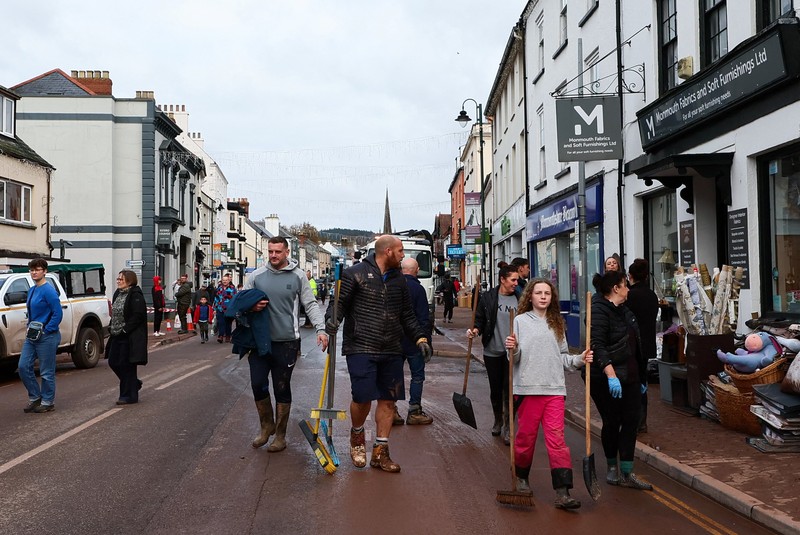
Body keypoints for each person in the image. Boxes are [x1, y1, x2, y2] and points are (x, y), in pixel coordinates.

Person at [325, 235, 431, 472]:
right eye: (401, 251)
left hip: (392, 348)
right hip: (360, 346)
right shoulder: (356, 274)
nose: (403, 256)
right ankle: (357, 434)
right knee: (362, 397)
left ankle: (380, 452)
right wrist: (330, 323)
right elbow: (338, 304)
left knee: (388, 399)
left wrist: (420, 338)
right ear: (388, 252)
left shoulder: (400, 281)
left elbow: (407, 314)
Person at [504, 278, 592, 509]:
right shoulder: (520, 321)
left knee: (557, 441)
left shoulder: (557, 322)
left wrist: (580, 359)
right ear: (530, 297)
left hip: (554, 389)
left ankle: (563, 492)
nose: (543, 297)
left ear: (551, 297)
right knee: (525, 439)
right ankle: (522, 478)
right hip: (527, 389)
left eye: (547, 293)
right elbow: (513, 359)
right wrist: (513, 349)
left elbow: (563, 357)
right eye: (538, 293)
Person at [244, 236, 329, 452]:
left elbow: (309, 304)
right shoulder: (256, 276)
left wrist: (320, 329)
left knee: (281, 387)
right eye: (270, 251)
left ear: (287, 252)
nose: (273, 256)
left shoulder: (298, 276)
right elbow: (241, 302)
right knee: (257, 384)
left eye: (278, 252)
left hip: (287, 342)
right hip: (259, 342)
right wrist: (251, 307)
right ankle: (266, 426)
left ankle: (280, 435)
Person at [588, 270, 652, 490]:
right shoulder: (597, 310)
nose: (628, 288)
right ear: (615, 288)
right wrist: (611, 375)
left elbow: (636, 346)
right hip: (605, 378)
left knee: (631, 422)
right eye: (625, 285)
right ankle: (612, 468)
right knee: (612, 421)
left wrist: (641, 375)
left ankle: (627, 472)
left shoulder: (626, 311)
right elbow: (598, 345)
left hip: (631, 376)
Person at [466, 263, 520, 443]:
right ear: (502, 280)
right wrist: (474, 330)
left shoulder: (521, 298)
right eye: (513, 280)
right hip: (492, 350)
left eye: (517, 280)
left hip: (512, 353)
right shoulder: (488, 298)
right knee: (495, 389)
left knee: (509, 389)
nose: (515, 283)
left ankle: (508, 426)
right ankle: (497, 419)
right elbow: (480, 320)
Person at [19, 258, 64, 414]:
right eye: (32, 270)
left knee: (46, 371)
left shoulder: (48, 290)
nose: (34, 272)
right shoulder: (32, 290)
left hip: (47, 336)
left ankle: (47, 401)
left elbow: (57, 313)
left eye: (37, 269)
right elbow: (32, 314)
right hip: (32, 335)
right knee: (23, 366)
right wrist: (29, 327)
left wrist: (47, 329)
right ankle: (35, 397)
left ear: (44, 271)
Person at [398, 257, 434, 425]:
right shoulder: (418, 290)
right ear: (416, 270)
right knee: (417, 375)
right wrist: (425, 340)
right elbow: (423, 318)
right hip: (414, 340)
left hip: (395, 340)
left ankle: (391, 411)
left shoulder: (393, 286)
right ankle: (414, 411)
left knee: (394, 375)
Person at [106, 269, 148, 405]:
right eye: (118, 279)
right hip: (116, 334)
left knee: (126, 365)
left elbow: (138, 316)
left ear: (129, 281)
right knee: (113, 361)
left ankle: (127, 396)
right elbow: (116, 313)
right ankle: (134, 383)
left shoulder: (136, 295)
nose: (118, 281)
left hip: (128, 336)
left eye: (121, 279)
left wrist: (125, 330)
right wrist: (112, 326)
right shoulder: (118, 293)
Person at [626, 258, 659, 434]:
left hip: (631, 346)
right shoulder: (652, 295)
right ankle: (642, 420)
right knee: (642, 382)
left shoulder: (629, 296)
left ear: (630, 276)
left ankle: (633, 420)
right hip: (646, 345)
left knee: (631, 382)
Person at [213, 274, 237, 343]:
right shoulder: (218, 289)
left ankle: (228, 336)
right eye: (223, 280)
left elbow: (235, 299)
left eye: (226, 280)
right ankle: (220, 336)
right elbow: (216, 299)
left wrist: (234, 308)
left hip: (229, 309)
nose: (225, 281)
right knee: (221, 323)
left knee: (228, 323)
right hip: (220, 309)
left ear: (228, 281)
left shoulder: (232, 289)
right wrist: (214, 309)